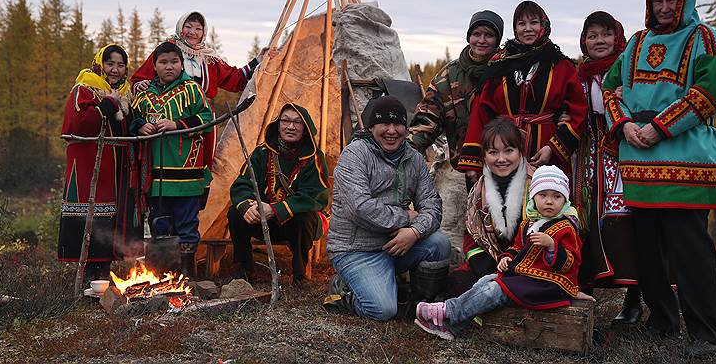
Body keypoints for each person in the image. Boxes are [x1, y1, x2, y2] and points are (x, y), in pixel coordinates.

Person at [602, 0, 716, 358]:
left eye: (672, 0)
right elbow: (611, 87)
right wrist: (623, 124)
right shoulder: (638, 43)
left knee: (690, 250)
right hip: (640, 163)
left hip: (686, 161)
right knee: (647, 250)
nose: (663, 8)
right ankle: (662, 320)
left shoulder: (703, 39)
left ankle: (706, 332)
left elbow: (711, 92)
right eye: (657, 0)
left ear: (686, 1)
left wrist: (660, 128)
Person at [414, 165, 588, 340]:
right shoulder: (529, 224)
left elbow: (571, 262)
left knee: (495, 290)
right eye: (543, 196)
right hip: (527, 279)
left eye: (556, 196)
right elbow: (518, 248)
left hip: (548, 284)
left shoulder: (566, 228)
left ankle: (447, 310)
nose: (549, 201)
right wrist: (507, 257)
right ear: (533, 197)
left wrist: (552, 245)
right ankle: (452, 327)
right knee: (486, 280)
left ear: (565, 200)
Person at [325, 95, 451, 321]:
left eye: (398, 124)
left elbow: (432, 205)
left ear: (406, 128)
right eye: (385, 123)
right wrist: (406, 218)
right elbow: (360, 208)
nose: (392, 130)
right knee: (382, 310)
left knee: (439, 243)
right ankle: (342, 291)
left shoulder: (413, 159)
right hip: (356, 249)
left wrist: (414, 232)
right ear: (372, 127)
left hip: (395, 244)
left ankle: (418, 305)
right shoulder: (354, 155)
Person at [131, 11, 268, 204]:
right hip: (169, 115)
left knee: (200, 160)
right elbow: (140, 78)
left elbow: (234, 79)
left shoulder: (208, 59)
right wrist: (141, 85)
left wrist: (257, 61)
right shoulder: (166, 52)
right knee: (167, 158)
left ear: (204, 32)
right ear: (180, 27)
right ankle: (162, 204)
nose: (192, 32)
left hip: (201, 117)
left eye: (198, 28)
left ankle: (193, 205)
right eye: (188, 27)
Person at [458, 1, 587, 181]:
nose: (528, 28)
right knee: (505, 206)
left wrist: (553, 147)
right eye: (521, 24)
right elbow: (482, 111)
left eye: (533, 22)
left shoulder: (561, 65)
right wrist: (473, 160)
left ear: (543, 25)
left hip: (547, 155)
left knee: (546, 205)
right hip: (503, 153)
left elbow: (577, 111)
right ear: (515, 29)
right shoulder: (500, 64)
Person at [573, 11, 642, 324]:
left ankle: (634, 299)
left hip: (621, 158)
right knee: (586, 223)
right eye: (592, 35)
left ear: (618, 37)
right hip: (588, 161)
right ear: (583, 41)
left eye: (605, 34)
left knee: (625, 224)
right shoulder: (580, 75)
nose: (599, 41)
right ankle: (587, 293)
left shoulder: (631, 70)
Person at [57, 44, 142, 282]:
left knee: (111, 222)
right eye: (110, 63)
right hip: (91, 165)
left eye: (121, 65)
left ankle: (102, 278)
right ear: (100, 64)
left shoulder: (128, 93)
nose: (115, 70)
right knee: (92, 219)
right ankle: (87, 279)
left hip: (117, 169)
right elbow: (80, 124)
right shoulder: (84, 88)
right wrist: (109, 105)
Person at [130, 41, 215, 278]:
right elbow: (133, 118)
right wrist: (141, 126)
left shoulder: (192, 89)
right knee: (159, 222)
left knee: (187, 223)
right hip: (156, 174)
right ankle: (162, 275)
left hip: (186, 171)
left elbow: (206, 117)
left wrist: (177, 124)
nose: (169, 67)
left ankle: (188, 275)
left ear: (181, 64)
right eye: (163, 62)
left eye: (174, 62)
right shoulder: (145, 94)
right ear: (154, 66)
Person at [227, 103, 329, 284]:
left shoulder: (313, 159)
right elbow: (242, 184)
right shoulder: (262, 153)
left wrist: (275, 210)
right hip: (264, 221)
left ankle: (299, 275)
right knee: (236, 213)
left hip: (294, 225)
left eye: (297, 123)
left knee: (304, 217)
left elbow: (315, 196)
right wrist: (248, 206)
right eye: (286, 121)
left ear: (305, 128)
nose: (291, 127)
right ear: (278, 124)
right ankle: (244, 270)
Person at [408, 10, 504, 173]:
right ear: (469, 37)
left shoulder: (507, 70)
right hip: (467, 165)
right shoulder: (449, 75)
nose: (481, 40)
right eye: (476, 34)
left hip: (505, 163)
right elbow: (427, 119)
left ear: (497, 40)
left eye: (488, 35)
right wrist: (403, 154)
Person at [452, 117, 531, 293]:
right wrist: (486, 269)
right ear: (484, 155)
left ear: (520, 152)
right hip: (492, 263)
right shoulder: (479, 191)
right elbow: (472, 236)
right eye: (493, 152)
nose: (501, 159)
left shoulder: (536, 186)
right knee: (459, 281)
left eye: (509, 151)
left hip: (529, 262)